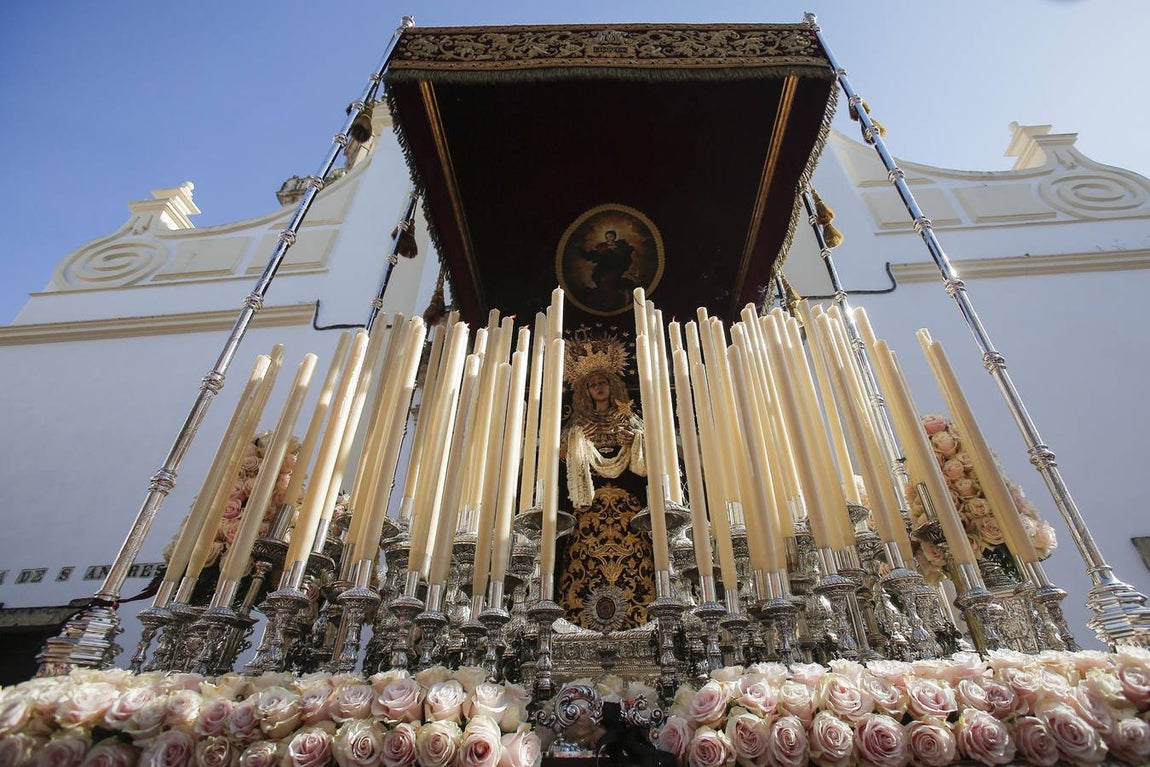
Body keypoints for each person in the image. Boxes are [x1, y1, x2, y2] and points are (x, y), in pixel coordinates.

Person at [558, 336, 655, 631]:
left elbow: (649, 462)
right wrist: (578, 440)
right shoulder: (578, 426)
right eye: (592, 384)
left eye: (602, 381)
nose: (598, 387)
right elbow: (562, 458)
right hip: (589, 512)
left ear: (612, 385)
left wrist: (636, 439)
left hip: (627, 513)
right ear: (586, 391)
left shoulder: (631, 422)